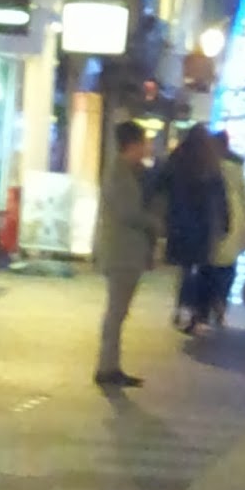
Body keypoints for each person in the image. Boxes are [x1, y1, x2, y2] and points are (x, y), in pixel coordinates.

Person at [94, 120, 156, 389]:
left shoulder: (129, 171)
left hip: (127, 252)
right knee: (116, 312)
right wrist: (154, 223)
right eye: (144, 143)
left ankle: (111, 365)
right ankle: (106, 367)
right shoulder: (119, 173)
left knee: (118, 312)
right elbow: (128, 212)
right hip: (121, 252)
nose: (147, 148)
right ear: (132, 144)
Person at [151, 123, 229, 336]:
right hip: (203, 225)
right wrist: (224, 225)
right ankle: (195, 316)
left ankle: (182, 309)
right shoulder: (210, 164)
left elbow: (158, 184)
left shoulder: (177, 159)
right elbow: (220, 197)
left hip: (178, 223)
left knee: (186, 269)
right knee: (200, 270)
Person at [205, 130, 245, 325]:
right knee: (228, 266)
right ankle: (221, 305)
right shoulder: (237, 169)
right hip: (235, 220)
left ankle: (209, 306)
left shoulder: (209, 167)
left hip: (213, 220)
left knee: (210, 266)